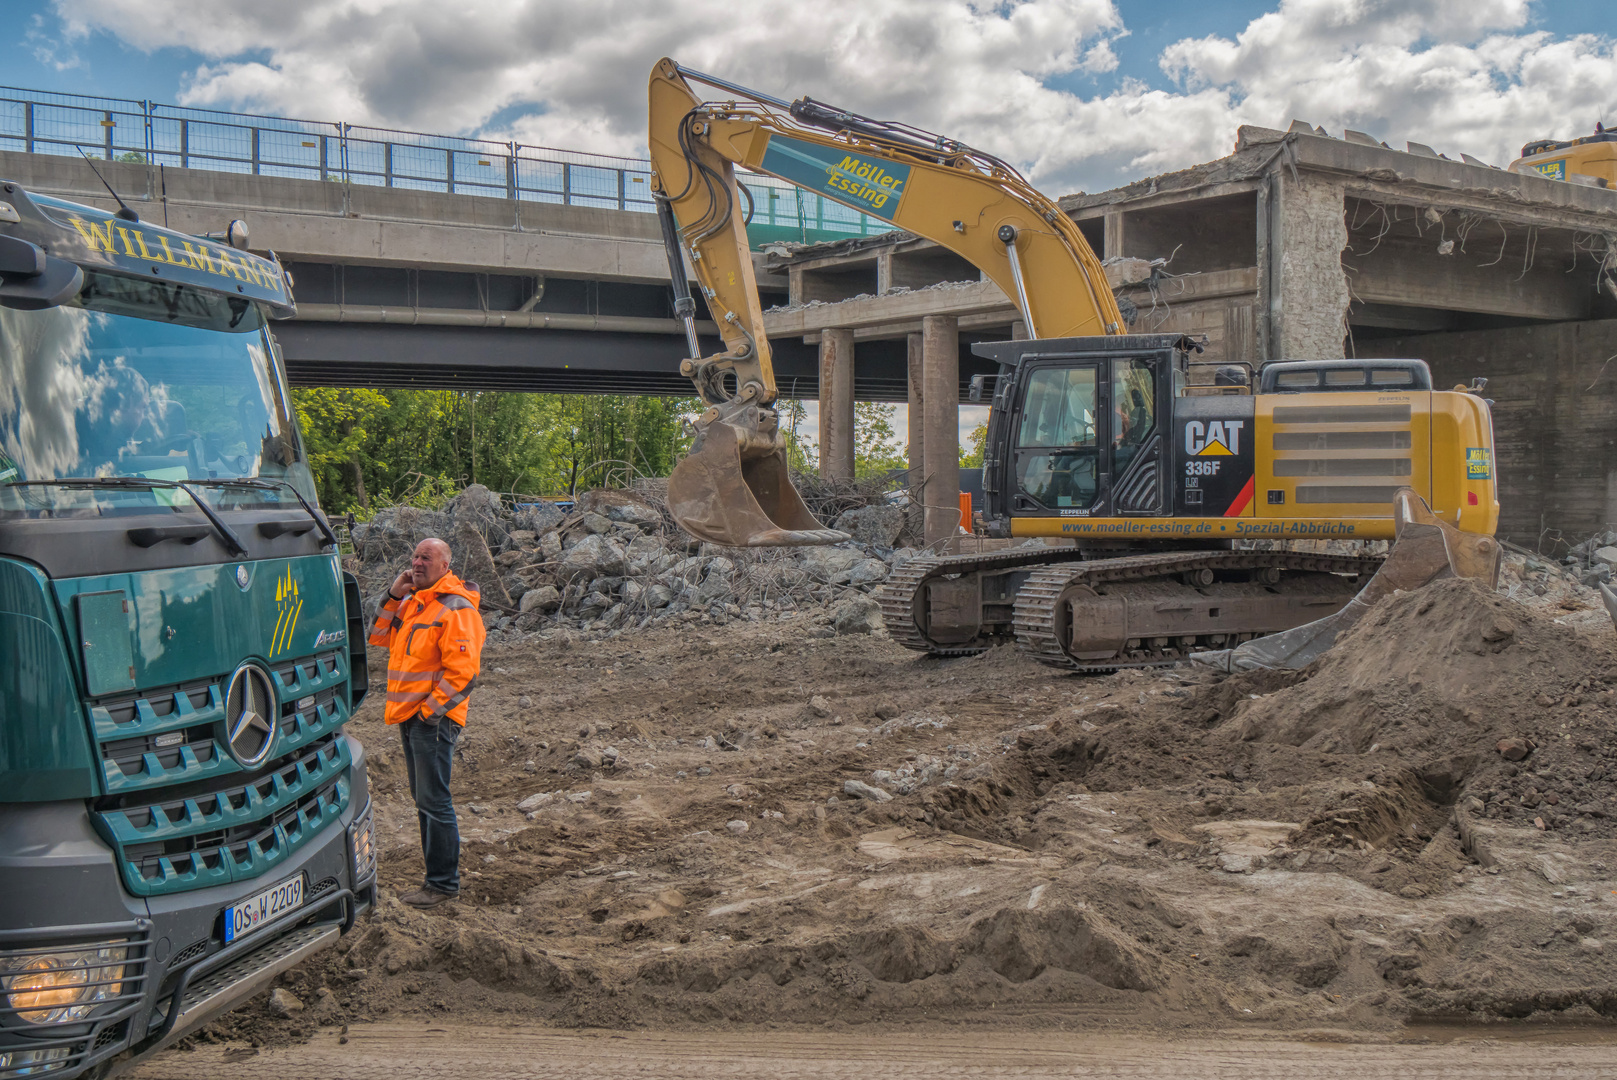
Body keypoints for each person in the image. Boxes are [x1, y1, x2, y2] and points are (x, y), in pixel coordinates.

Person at [367, 538, 485, 908]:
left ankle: (442, 885)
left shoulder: (455, 609)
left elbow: (464, 674)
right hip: (413, 717)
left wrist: (429, 713)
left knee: (434, 801)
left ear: (445, 565)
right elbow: (379, 636)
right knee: (425, 800)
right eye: (415, 557)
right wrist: (392, 594)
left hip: (431, 720)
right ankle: (437, 881)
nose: (417, 563)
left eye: (426, 558)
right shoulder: (415, 604)